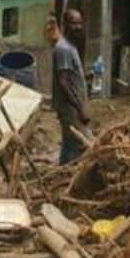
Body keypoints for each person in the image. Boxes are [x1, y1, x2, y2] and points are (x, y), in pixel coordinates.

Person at [48, 15, 93, 165]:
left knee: (70, 144)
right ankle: (69, 176)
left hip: (72, 107)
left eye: (80, 22)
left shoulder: (69, 46)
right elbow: (63, 81)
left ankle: (63, 173)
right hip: (71, 109)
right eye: (74, 23)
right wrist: (80, 108)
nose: (78, 26)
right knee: (83, 144)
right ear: (65, 24)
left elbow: (69, 77)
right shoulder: (64, 49)